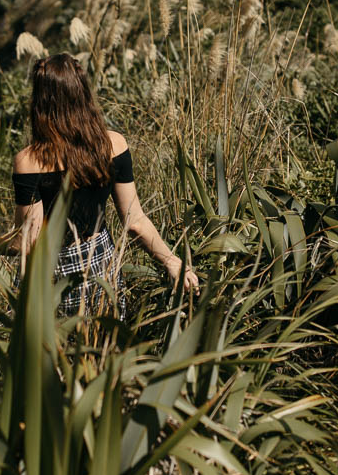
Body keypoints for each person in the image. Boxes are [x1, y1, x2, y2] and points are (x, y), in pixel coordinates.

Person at [12, 53, 199, 313]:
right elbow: (135, 222)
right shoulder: (113, 145)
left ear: (40, 102)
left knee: (52, 351)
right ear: (83, 94)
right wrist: (172, 261)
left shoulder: (29, 161)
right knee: (105, 344)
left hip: (49, 274)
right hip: (100, 266)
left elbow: (27, 242)